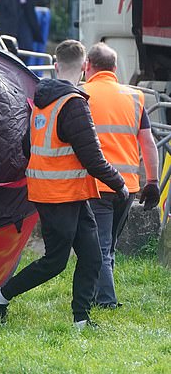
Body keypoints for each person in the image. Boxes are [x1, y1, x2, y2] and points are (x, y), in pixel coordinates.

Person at [0, 39, 128, 329]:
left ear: (56, 64)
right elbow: (92, 157)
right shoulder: (73, 104)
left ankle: (81, 320)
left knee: (91, 256)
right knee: (55, 262)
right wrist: (120, 184)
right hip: (57, 195)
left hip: (67, 193)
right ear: (85, 67)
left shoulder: (41, 101)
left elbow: (28, 146)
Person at [83, 42, 160, 310]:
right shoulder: (135, 97)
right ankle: (99, 294)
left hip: (96, 184)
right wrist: (152, 181)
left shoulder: (80, 95)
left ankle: (106, 301)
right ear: (115, 68)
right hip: (127, 186)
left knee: (100, 248)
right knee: (109, 246)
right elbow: (148, 143)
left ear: (87, 66)